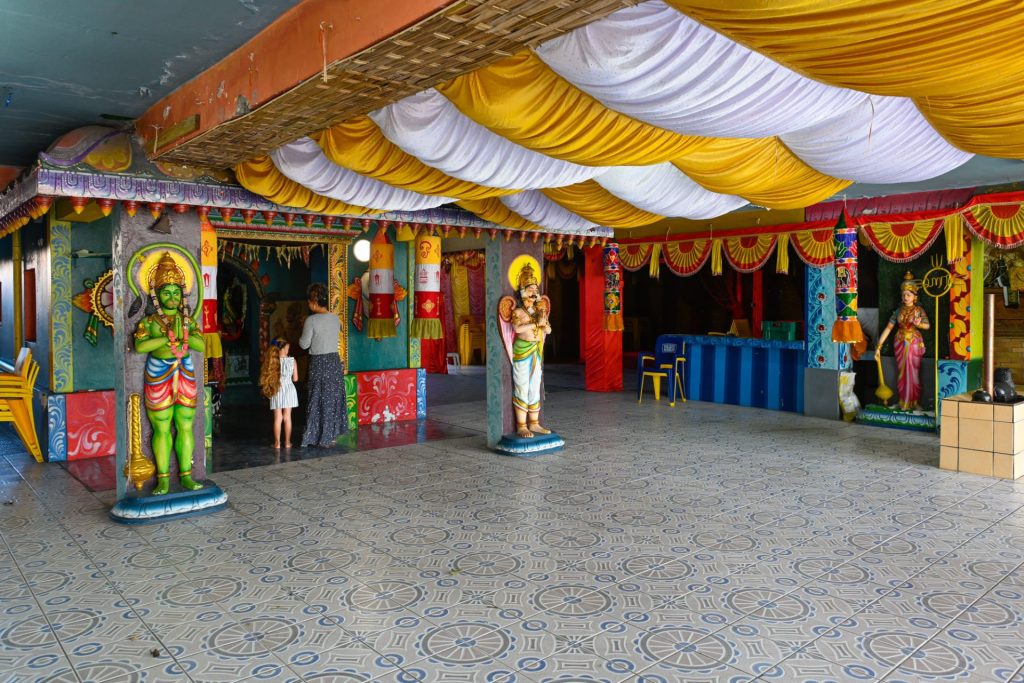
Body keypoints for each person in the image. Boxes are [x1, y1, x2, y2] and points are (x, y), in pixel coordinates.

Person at [134, 252, 206, 495]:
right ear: (155, 295)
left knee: (185, 424)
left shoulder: (188, 321)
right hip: (158, 373)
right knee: (161, 427)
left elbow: (202, 345)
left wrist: (187, 336)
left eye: (176, 292)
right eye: (167, 292)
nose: (172, 297)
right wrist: (166, 337)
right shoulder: (151, 321)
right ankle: (163, 478)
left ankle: (186, 475)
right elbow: (140, 346)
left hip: (184, 371)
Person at [299, 283, 347, 447]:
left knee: (317, 399)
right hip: (334, 362)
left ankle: (316, 437)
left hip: (319, 363)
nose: (308, 304)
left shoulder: (310, 320)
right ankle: (330, 437)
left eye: (309, 301)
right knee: (331, 400)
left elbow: (304, 345)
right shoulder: (335, 318)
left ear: (314, 301)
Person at [876, 271, 930, 411]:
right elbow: (888, 328)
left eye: (908, 294)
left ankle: (914, 402)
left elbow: (927, 325)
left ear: (914, 296)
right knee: (902, 374)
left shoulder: (919, 310)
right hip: (900, 342)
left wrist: (918, 324)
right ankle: (903, 402)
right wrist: (879, 346)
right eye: (904, 295)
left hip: (913, 343)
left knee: (913, 374)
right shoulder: (898, 311)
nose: (906, 297)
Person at [509, 263, 552, 438]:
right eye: (530, 289)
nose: (534, 292)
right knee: (522, 386)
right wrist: (535, 323)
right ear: (522, 291)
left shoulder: (538, 311)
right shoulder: (518, 311)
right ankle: (521, 425)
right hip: (522, 351)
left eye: (535, 289)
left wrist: (543, 321)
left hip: (536, 351)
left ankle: (534, 423)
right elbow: (517, 329)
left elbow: (548, 330)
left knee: (535, 385)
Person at [260, 339, 299, 449]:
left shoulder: (272, 361)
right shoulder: (292, 360)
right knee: (287, 417)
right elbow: (295, 379)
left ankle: (277, 443)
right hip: (289, 390)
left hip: (276, 389)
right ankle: (287, 442)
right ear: (284, 349)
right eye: (287, 348)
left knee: (278, 418)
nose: (288, 350)